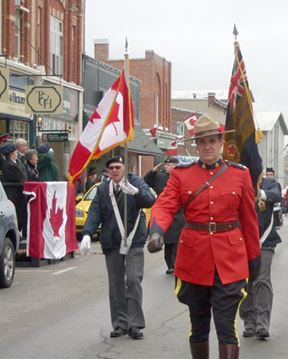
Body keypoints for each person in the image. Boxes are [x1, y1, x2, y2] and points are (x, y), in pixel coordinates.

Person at [148, 115, 260, 359]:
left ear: (221, 143)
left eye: (212, 141)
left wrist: (254, 257)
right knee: (198, 324)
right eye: (202, 142)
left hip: (230, 259)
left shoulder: (240, 174)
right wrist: (156, 230)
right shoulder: (181, 175)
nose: (207, 146)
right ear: (196, 146)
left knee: (226, 324)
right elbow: (164, 205)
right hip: (193, 259)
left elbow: (250, 220)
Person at [79, 156, 156, 340]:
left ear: (124, 168)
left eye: (118, 167)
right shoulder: (103, 188)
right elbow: (95, 211)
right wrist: (88, 233)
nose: (115, 171)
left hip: (134, 240)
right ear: (107, 171)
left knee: (133, 280)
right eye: (111, 168)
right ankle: (120, 323)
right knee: (116, 285)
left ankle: (134, 323)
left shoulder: (135, 182)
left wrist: (136, 192)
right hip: (112, 241)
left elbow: (150, 200)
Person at [240, 170, 282, 340]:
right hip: (241, 242)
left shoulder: (269, 184)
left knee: (261, 280)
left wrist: (259, 192)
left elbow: (276, 195)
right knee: (245, 282)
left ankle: (262, 323)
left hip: (264, 242)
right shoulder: (236, 181)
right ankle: (249, 321)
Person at [144, 157, 182, 274]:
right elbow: (146, 182)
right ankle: (170, 265)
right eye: (166, 165)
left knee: (177, 242)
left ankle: (175, 265)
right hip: (165, 211)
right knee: (168, 242)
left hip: (179, 213)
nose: (166, 167)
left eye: (169, 165)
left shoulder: (181, 176)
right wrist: (152, 172)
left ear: (176, 166)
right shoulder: (160, 176)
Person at [1, 144, 27, 233]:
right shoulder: (9, 165)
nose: (17, 154)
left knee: (21, 212)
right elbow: (19, 178)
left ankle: (19, 230)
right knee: (18, 212)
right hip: (14, 193)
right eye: (15, 152)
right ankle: (18, 230)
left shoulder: (16, 162)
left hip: (18, 192)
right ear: (11, 154)